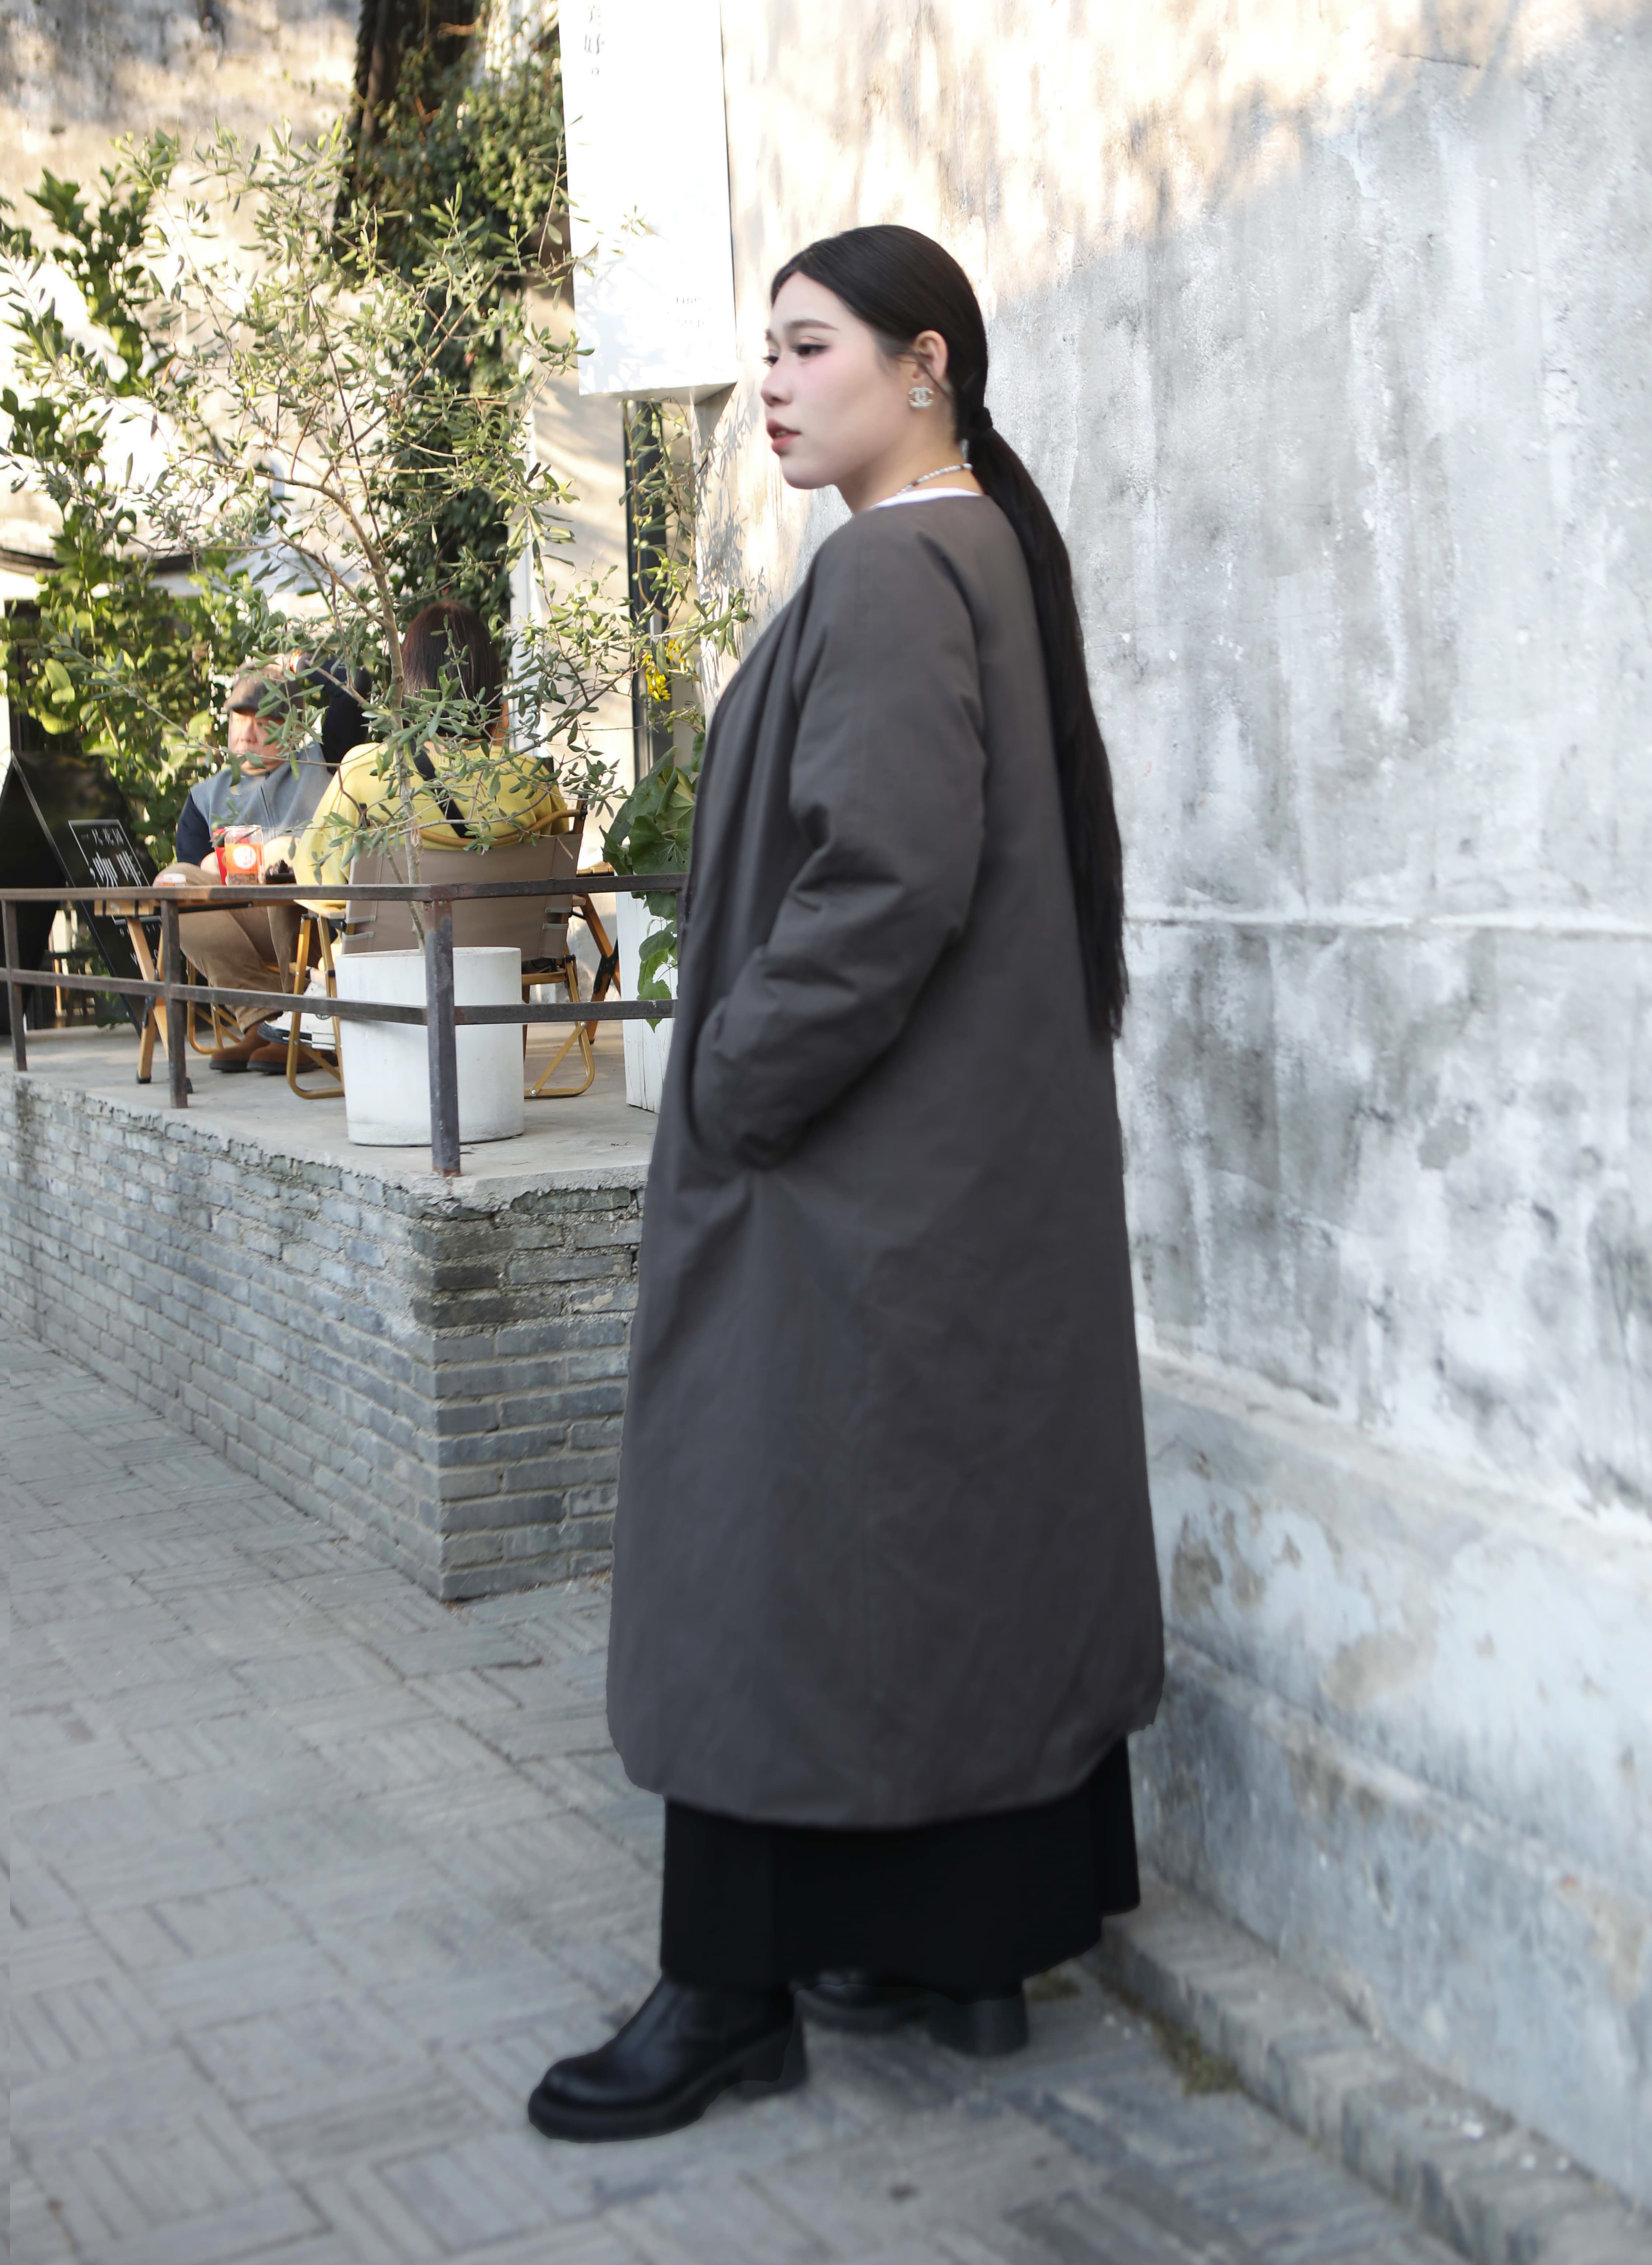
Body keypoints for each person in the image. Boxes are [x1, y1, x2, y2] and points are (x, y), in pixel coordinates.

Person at [526, 225, 1165, 2146]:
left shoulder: (894, 566)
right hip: (946, 1180)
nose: (774, 384)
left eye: (811, 347)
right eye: (770, 348)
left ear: (926, 363)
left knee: (759, 1553)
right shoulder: (974, 552)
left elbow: (884, 877)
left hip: (848, 1180)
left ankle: (728, 1992)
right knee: (932, 1558)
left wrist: (731, 1082)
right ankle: (943, 1946)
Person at [294, 600, 569, 910]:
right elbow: (558, 876)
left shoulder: (364, 771)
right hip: (515, 942)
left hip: (396, 941)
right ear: (493, 693)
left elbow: (315, 882)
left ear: (407, 685)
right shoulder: (534, 780)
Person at [158, 660, 360, 1072]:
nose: (246, 734)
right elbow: (194, 869)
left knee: (282, 861)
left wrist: (303, 664)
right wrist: (213, 866)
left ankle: (304, 1023)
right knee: (172, 882)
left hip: (322, 926)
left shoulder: (323, 759)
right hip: (249, 926)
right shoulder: (204, 798)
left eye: (264, 722)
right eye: (239, 718)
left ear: (293, 727)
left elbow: (355, 685)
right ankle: (263, 1018)